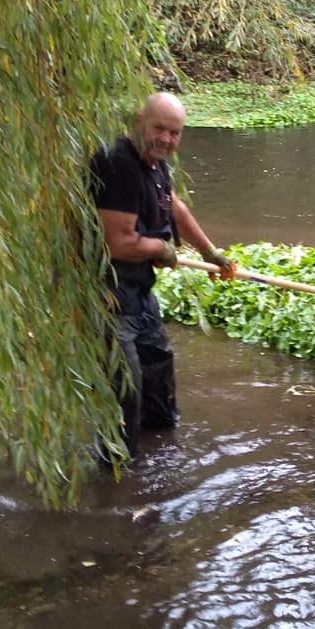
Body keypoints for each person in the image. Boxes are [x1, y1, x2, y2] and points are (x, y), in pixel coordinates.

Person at [88, 92, 237, 455]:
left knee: (158, 375)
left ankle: (162, 453)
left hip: (139, 293)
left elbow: (173, 204)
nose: (166, 139)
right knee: (125, 391)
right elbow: (118, 244)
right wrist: (160, 248)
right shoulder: (117, 164)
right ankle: (115, 474)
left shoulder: (154, 162)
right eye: (159, 128)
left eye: (175, 133)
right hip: (106, 297)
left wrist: (210, 252)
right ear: (139, 120)